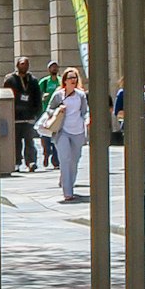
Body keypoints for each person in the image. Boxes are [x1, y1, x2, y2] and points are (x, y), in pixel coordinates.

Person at [43, 66, 90, 202]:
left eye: (75, 77)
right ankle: (68, 191)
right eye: (70, 78)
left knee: (74, 160)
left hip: (78, 131)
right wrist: (58, 110)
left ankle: (68, 182)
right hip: (62, 131)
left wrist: (87, 120)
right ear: (65, 80)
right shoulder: (59, 95)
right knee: (65, 159)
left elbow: (85, 111)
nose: (73, 80)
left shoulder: (80, 95)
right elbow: (49, 110)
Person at [4, 57, 42, 173]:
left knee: (29, 140)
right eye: (22, 64)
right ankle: (16, 162)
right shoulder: (10, 80)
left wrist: (36, 112)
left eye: (26, 64)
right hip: (15, 117)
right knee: (16, 142)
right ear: (17, 65)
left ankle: (31, 161)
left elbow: (37, 98)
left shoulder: (33, 80)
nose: (24, 66)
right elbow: (6, 97)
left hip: (29, 117)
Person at [37, 61, 62, 167]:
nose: (54, 69)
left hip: (58, 113)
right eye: (52, 67)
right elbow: (37, 94)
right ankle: (46, 153)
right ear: (48, 69)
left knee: (56, 136)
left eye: (56, 67)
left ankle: (56, 160)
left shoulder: (60, 81)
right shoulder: (45, 81)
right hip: (46, 112)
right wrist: (42, 97)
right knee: (45, 136)